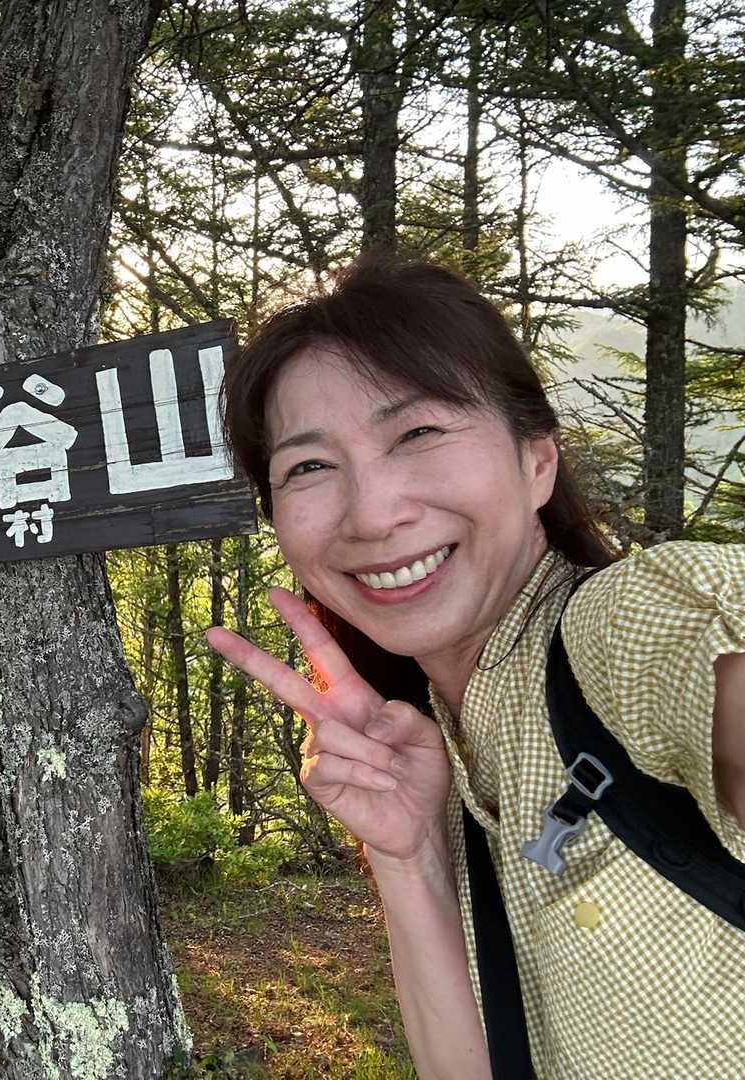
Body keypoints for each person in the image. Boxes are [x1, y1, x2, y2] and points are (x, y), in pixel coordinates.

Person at [204, 255, 745, 1079]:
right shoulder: (441, 748)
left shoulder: (630, 624)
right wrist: (408, 855)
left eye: (418, 433)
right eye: (308, 466)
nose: (373, 515)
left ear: (537, 460)